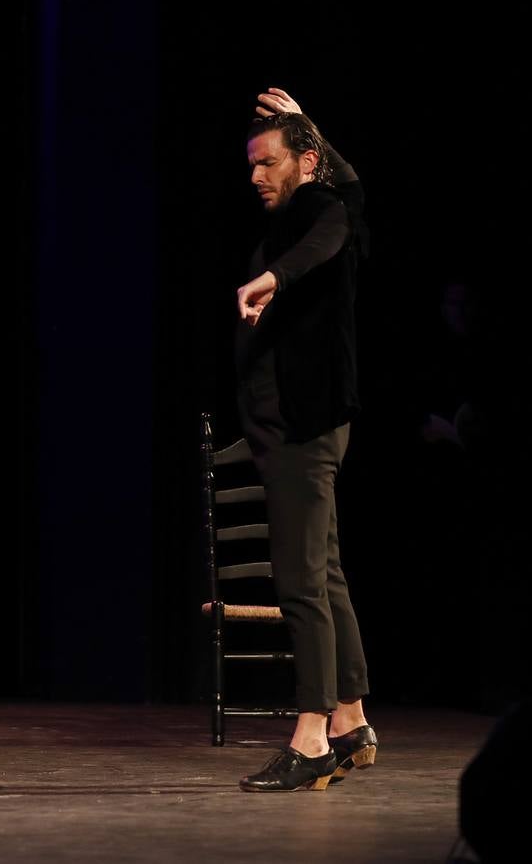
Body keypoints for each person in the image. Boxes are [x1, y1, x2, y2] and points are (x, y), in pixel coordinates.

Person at [234, 89, 377, 791]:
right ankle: (350, 720)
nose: (256, 175)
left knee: (299, 582)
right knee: (325, 571)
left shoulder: (320, 215)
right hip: (295, 422)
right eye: (252, 165)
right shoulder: (303, 213)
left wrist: (271, 276)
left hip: (302, 422)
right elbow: (341, 197)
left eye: (268, 162)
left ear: (306, 161)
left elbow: (335, 221)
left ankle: (312, 736)